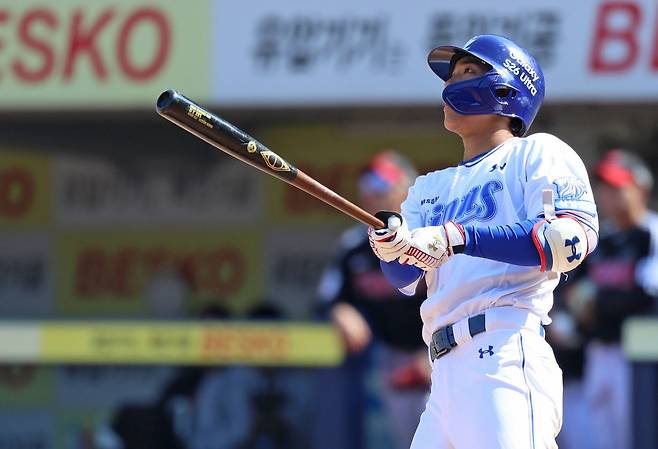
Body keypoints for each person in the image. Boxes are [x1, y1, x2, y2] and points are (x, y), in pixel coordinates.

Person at [367, 34, 599, 449]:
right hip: (443, 372)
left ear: (506, 90)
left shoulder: (537, 153)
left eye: (467, 72)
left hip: (503, 352)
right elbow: (403, 277)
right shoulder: (427, 187)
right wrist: (391, 244)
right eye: (451, 76)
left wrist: (458, 236)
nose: (450, 85)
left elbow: (565, 243)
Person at [316, 150, 430, 449]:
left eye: (380, 186)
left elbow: (463, 297)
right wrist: (341, 310)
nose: (370, 195)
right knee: (394, 439)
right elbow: (329, 296)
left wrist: (438, 353)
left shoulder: (428, 235)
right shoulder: (354, 245)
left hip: (443, 352)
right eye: (366, 187)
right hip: (389, 358)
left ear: (406, 189)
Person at [561, 149, 658, 449]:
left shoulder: (651, 233)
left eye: (617, 187)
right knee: (600, 437)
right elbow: (571, 290)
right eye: (603, 188)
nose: (607, 195)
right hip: (598, 350)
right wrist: (575, 311)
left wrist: (596, 303)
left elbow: (648, 295)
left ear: (641, 188)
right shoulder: (601, 238)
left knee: (639, 433)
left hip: (640, 351)